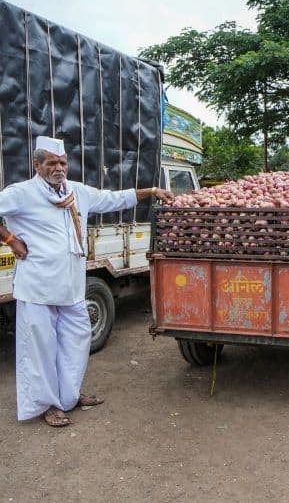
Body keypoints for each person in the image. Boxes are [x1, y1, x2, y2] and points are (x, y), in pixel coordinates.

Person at [0, 136, 173, 427]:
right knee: (40, 348)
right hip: (38, 286)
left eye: (63, 163)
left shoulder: (76, 192)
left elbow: (114, 198)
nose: (59, 168)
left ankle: (68, 396)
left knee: (77, 341)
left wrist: (152, 190)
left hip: (71, 285)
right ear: (37, 165)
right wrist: (10, 239)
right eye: (52, 163)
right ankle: (47, 405)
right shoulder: (21, 193)